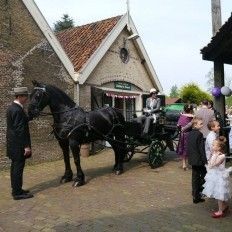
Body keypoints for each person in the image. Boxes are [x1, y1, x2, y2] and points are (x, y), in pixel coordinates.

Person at [6, 87, 34, 200]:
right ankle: (17, 193)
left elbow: (20, 122)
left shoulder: (12, 108)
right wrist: (26, 146)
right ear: (20, 97)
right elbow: (20, 129)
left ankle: (16, 189)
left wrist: (30, 116)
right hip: (18, 145)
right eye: (25, 96)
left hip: (13, 144)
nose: (26, 99)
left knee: (14, 168)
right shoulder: (17, 110)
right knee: (18, 168)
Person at [202, 136, 232, 218]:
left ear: (219, 147)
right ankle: (224, 206)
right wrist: (213, 156)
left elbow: (212, 164)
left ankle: (220, 211)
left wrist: (214, 156)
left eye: (214, 145)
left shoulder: (221, 156)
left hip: (219, 177)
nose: (212, 146)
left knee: (219, 194)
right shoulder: (215, 153)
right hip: (214, 175)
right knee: (217, 192)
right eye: (212, 145)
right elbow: (211, 164)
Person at [187, 117, 207, 204]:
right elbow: (201, 149)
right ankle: (199, 194)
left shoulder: (190, 133)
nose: (202, 125)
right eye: (201, 124)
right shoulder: (199, 134)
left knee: (195, 177)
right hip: (198, 159)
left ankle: (195, 195)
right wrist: (205, 160)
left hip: (192, 158)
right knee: (203, 176)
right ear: (195, 125)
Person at [176, 104, 194, 170]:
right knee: (191, 149)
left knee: (183, 148)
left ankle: (184, 164)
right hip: (191, 134)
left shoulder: (182, 116)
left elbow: (178, 125)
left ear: (184, 109)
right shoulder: (193, 117)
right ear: (191, 110)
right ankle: (191, 163)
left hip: (183, 134)